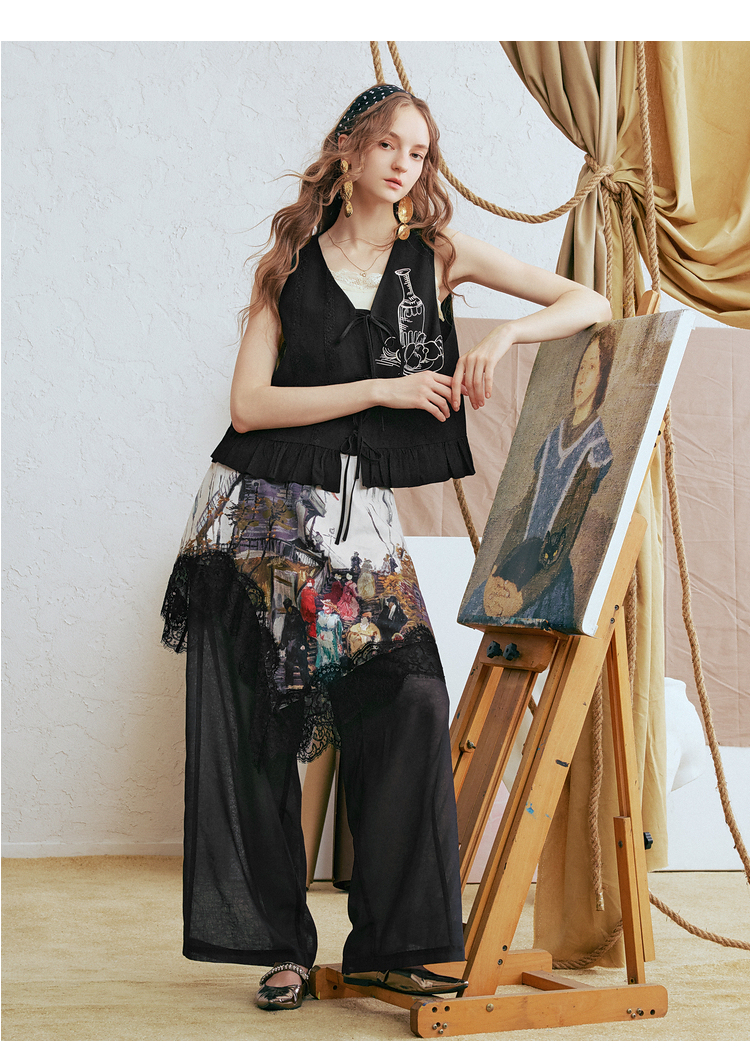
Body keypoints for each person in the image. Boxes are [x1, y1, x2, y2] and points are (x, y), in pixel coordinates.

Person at [160, 83, 611, 1012]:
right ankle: (280, 947)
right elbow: (250, 405)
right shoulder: (288, 264)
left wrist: (506, 334)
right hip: (262, 520)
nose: (406, 162)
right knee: (262, 734)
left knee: (408, 699)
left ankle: (395, 944)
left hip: (356, 528)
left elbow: (589, 301)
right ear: (349, 151)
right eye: (389, 144)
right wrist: (381, 389)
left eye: (420, 150)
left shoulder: (437, 257)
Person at [476, 327, 615, 630]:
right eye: (581, 366)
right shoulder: (554, 437)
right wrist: (496, 570)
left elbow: (568, 530)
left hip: (546, 576)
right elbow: (525, 508)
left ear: (603, 377)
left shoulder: (597, 447)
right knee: (480, 606)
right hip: (515, 563)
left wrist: (525, 595)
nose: (582, 377)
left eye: (592, 368)